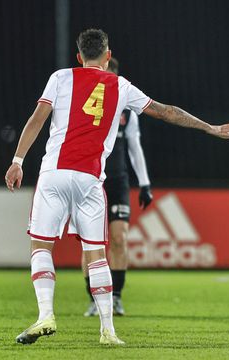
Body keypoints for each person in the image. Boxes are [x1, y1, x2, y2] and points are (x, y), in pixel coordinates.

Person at [5, 28, 229, 345]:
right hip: (90, 179)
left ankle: (45, 314)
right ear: (108, 55)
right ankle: (108, 331)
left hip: (54, 174)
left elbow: (37, 118)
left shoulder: (60, 78)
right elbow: (167, 112)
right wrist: (209, 127)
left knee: (42, 247)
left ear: (79, 57)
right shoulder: (121, 86)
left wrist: (17, 160)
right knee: (98, 255)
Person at [81, 57, 153, 317]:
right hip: (90, 180)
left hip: (118, 181)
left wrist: (144, 184)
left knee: (119, 238)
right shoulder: (86, 107)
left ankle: (117, 297)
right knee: (91, 244)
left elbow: (135, 148)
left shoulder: (127, 112)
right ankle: (94, 299)